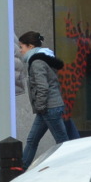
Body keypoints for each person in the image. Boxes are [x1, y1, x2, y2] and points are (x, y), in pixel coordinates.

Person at [19, 31, 71, 168]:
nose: (20, 50)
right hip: (48, 107)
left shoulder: (36, 62)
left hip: (49, 108)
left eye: (22, 47)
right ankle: (21, 167)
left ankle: (70, 166)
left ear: (30, 46)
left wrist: (41, 106)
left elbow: (43, 87)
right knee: (32, 139)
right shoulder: (44, 58)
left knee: (62, 141)